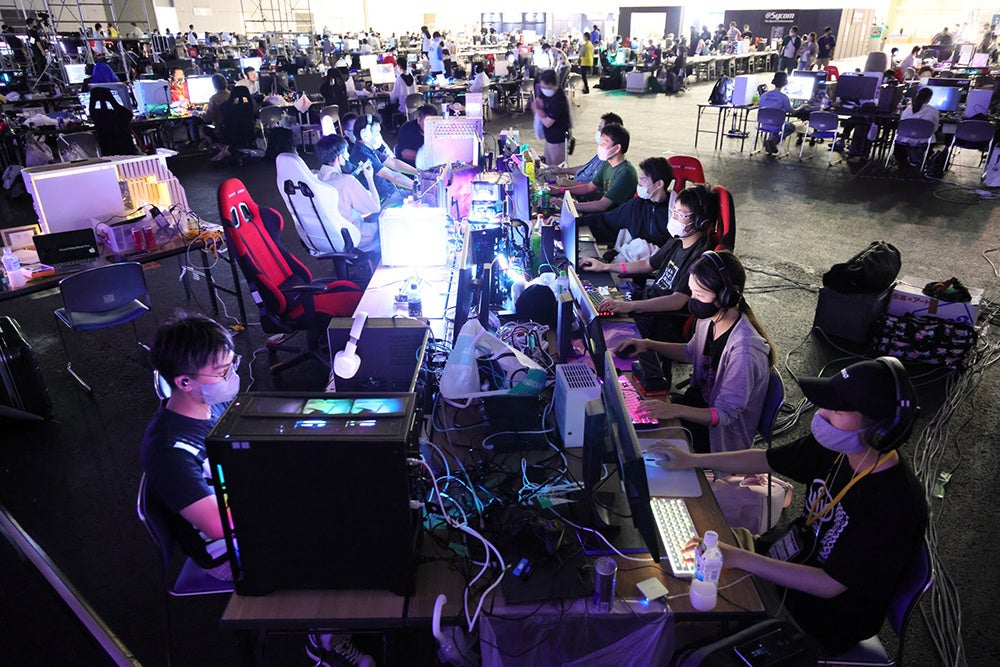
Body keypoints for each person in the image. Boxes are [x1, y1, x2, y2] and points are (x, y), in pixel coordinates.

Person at [653, 357, 927, 655]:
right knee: (677, 550)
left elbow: (829, 585)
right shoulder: (841, 448)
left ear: (881, 430)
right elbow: (766, 459)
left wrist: (740, 558)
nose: (822, 414)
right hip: (784, 558)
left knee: (679, 627)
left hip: (820, 616)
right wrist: (692, 460)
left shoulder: (894, 505)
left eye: (836, 409)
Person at [619, 250, 775, 453]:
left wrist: (674, 410)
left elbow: (724, 414)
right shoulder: (709, 320)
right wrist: (648, 344)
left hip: (718, 438)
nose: (692, 300)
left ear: (726, 297)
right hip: (696, 406)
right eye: (692, 292)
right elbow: (691, 352)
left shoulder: (744, 352)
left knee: (640, 445)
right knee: (632, 416)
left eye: (699, 295)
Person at [141, 312, 241, 581]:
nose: (231, 376)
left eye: (232, 365)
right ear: (185, 382)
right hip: (228, 553)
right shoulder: (169, 452)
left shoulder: (211, 404)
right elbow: (218, 526)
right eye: (222, 372)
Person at [580, 182, 717, 344]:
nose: (674, 218)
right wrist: (605, 267)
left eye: (681, 214)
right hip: (642, 301)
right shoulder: (677, 241)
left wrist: (631, 306)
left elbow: (677, 300)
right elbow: (648, 265)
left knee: (598, 334)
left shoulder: (700, 258)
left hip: (658, 318)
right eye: (674, 211)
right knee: (589, 301)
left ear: (701, 222)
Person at [574, 155, 675, 246]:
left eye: (644, 180)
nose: (639, 184)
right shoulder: (636, 205)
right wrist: (575, 222)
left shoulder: (675, 213)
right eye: (640, 179)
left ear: (659, 184)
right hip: (634, 257)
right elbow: (605, 219)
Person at [556, 122, 636, 214]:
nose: (600, 146)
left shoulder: (625, 173)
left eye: (605, 143)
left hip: (613, 217)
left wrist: (569, 205)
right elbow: (589, 187)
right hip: (604, 213)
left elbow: (601, 205)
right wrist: (560, 190)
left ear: (617, 148)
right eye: (601, 142)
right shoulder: (608, 163)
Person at [316, 134, 381, 248]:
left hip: (332, 235)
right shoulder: (347, 181)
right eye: (346, 152)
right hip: (356, 235)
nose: (348, 155)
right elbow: (375, 206)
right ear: (339, 158)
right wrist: (370, 178)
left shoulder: (316, 177)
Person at [343, 112, 415, 207]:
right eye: (377, 132)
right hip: (384, 200)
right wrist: (417, 186)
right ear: (365, 135)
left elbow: (394, 163)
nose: (379, 136)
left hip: (391, 193)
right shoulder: (363, 155)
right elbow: (393, 176)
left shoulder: (367, 148)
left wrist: (418, 172)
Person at [545, 112, 624, 195]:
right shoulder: (603, 153)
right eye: (599, 129)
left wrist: (568, 186)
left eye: (601, 130)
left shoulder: (611, 163)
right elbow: (586, 169)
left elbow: (594, 189)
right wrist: (561, 170)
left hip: (581, 195)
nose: (598, 133)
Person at [532, 68, 572, 167]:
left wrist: (538, 110)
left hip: (558, 139)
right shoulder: (545, 93)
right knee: (548, 165)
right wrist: (539, 109)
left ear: (556, 85)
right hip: (549, 138)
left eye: (547, 88)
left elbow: (547, 123)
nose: (544, 90)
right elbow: (538, 101)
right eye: (542, 87)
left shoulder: (559, 100)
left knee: (557, 168)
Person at [895, 87, 939, 168]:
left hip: (905, 138)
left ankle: (912, 156)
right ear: (929, 98)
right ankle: (915, 158)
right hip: (924, 139)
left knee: (911, 142)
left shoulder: (907, 110)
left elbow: (902, 125)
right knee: (929, 138)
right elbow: (935, 128)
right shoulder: (933, 111)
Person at [758, 71, 795, 155]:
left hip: (764, 124)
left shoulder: (764, 95)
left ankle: (771, 140)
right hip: (777, 124)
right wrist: (802, 107)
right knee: (791, 127)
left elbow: (760, 108)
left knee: (775, 121)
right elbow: (791, 110)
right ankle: (774, 140)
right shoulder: (784, 97)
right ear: (785, 83)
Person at [394, 103, 437, 167]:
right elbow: (405, 154)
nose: (430, 127)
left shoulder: (437, 129)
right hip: (408, 166)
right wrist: (430, 158)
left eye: (433, 123)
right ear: (419, 120)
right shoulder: (407, 129)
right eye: (426, 123)